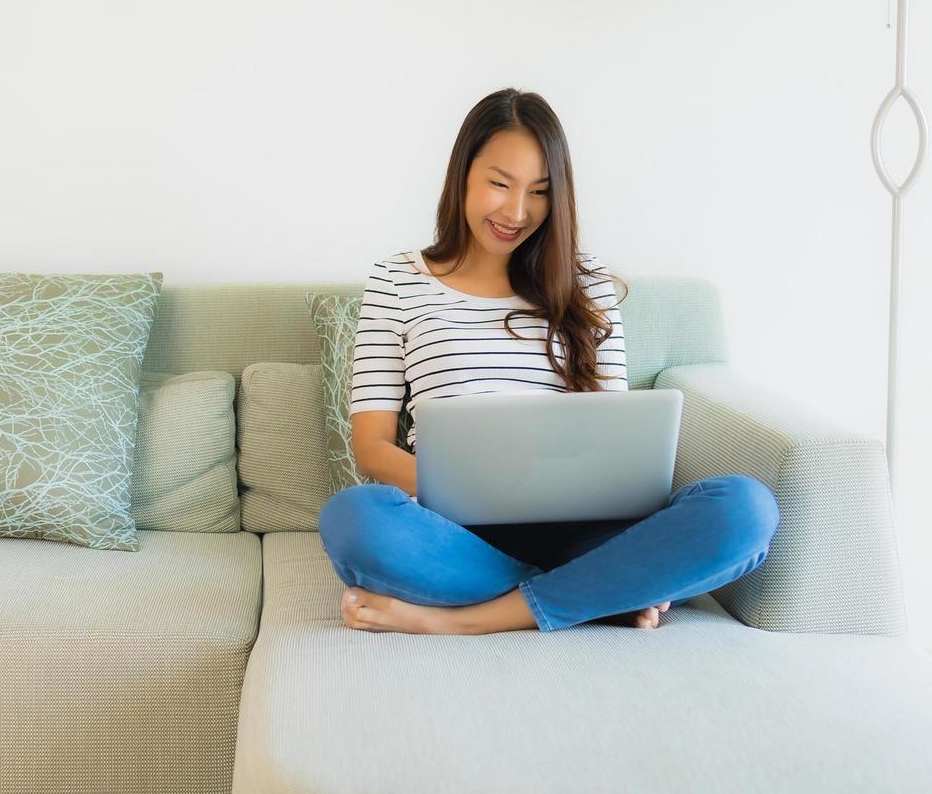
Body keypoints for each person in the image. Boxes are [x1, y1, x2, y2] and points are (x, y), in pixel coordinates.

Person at [319, 87, 780, 634]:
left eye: (539, 191)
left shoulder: (585, 283)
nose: (517, 212)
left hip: (584, 527)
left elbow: (614, 441)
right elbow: (371, 446)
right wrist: (470, 490)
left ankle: (472, 620)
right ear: (462, 173)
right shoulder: (397, 281)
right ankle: (602, 589)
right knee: (354, 519)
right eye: (499, 183)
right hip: (456, 531)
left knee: (746, 510)